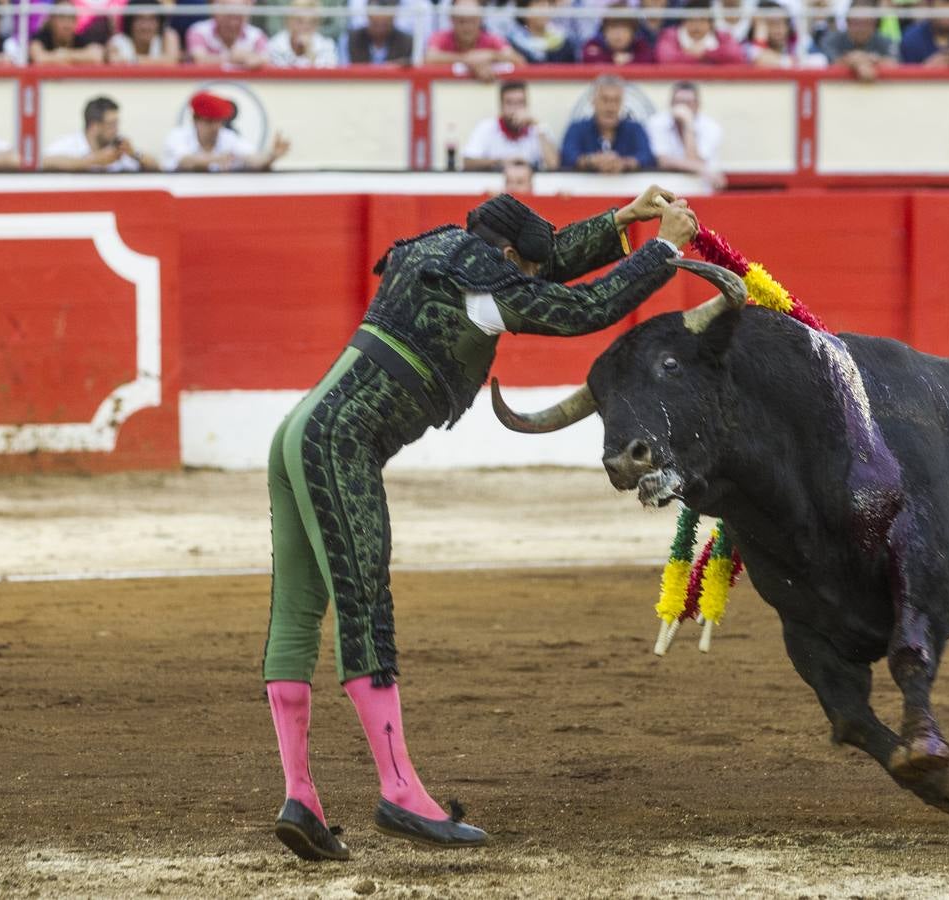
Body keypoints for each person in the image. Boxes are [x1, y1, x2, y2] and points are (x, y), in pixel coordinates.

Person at [261, 186, 699, 861]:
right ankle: (399, 790)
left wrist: (620, 223)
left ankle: (301, 798)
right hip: (338, 444)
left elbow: (545, 266)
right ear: (502, 255)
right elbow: (582, 308)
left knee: (295, 614)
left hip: (297, 431)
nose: (529, 280)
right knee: (364, 611)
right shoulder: (490, 283)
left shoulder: (437, 252)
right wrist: (664, 250)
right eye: (522, 268)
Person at [162, 90, 291, 172]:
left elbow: (253, 159)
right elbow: (185, 161)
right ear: (196, 120)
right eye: (209, 122)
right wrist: (216, 159)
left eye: (219, 121)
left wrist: (272, 156)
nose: (215, 127)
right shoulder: (178, 136)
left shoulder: (228, 137)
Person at [559, 74, 655, 173]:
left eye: (616, 100)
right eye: (605, 100)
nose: (611, 107)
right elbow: (567, 158)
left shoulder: (635, 129)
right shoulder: (577, 129)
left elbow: (647, 157)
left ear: (622, 103)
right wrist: (592, 161)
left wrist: (623, 163)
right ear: (593, 102)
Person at [43, 95, 159, 171]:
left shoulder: (118, 147)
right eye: (111, 125)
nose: (116, 130)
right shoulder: (70, 144)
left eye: (117, 124)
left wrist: (134, 153)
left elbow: (156, 167)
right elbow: (44, 162)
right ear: (94, 126)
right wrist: (93, 160)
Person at [463, 80, 559, 172]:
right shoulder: (486, 127)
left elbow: (554, 165)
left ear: (527, 105)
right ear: (501, 106)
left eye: (520, 103)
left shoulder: (539, 128)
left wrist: (537, 126)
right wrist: (501, 162)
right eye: (509, 103)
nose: (515, 109)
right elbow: (468, 162)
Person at [645, 80, 725, 190]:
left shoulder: (711, 127)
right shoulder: (657, 122)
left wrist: (688, 124)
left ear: (697, 105)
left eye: (688, 103)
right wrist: (703, 169)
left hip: (701, 190)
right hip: (667, 190)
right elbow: (663, 161)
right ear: (671, 104)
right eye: (679, 102)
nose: (683, 107)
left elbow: (694, 160)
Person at [424, 0, 524, 80]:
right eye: (461, 21)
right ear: (452, 19)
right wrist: (468, 60)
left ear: (481, 19)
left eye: (472, 20)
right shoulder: (440, 37)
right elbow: (428, 59)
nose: (467, 27)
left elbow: (519, 62)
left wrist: (492, 55)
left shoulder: (492, 39)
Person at [818, 0, 897, 79]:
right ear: (847, 22)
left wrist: (870, 60)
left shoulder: (885, 41)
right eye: (856, 23)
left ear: (875, 24)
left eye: (866, 23)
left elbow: (896, 64)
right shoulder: (831, 40)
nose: (861, 29)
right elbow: (829, 63)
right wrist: (856, 63)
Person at [654, 0, 746, 63]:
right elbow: (665, 58)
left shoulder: (722, 36)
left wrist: (706, 53)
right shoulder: (670, 35)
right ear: (683, 22)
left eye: (702, 20)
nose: (696, 26)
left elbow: (736, 55)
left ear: (711, 24)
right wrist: (691, 55)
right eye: (692, 20)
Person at [185, 0, 269, 68]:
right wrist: (232, 58)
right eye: (228, 16)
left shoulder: (256, 35)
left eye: (238, 17)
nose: (232, 23)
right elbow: (199, 60)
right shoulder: (198, 31)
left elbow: (266, 60)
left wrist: (254, 60)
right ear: (216, 14)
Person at [27, 3, 106, 64]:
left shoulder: (79, 37)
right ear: (52, 21)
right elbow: (38, 57)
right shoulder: (42, 36)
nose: (67, 24)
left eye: (71, 18)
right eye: (62, 17)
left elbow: (97, 55)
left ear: (76, 22)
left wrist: (65, 54)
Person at [340, 0, 414, 64]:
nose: (380, 29)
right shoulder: (350, 39)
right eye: (376, 24)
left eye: (385, 24)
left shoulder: (407, 41)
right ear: (368, 17)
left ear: (393, 18)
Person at [107, 1, 182, 63]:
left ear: (159, 22)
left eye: (151, 19)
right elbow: (114, 61)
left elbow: (171, 61)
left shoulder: (167, 36)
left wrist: (132, 61)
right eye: (140, 19)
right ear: (130, 22)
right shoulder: (117, 41)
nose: (145, 26)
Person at [268, 0, 339, 66]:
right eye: (300, 21)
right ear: (289, 21)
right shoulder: (276, 45)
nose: (305, 26)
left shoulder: (326, 46)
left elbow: (327, 77)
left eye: (312, 22)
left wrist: (310, 53)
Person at [507, 0, 578, 63]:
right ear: (524, 8)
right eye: (538, 3)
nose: (545, 9)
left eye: (549, 3)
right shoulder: (512, 44)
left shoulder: (566, 43)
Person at [580, 14, 657, 64]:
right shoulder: (594, 43)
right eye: (613, 28)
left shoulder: (641, 45)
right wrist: (612, 58)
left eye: (623, 29)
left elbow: (649, 59)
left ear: (632, 33)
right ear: (604, 31)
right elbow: (588, 58)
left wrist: (631, 58)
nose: (618, 34)